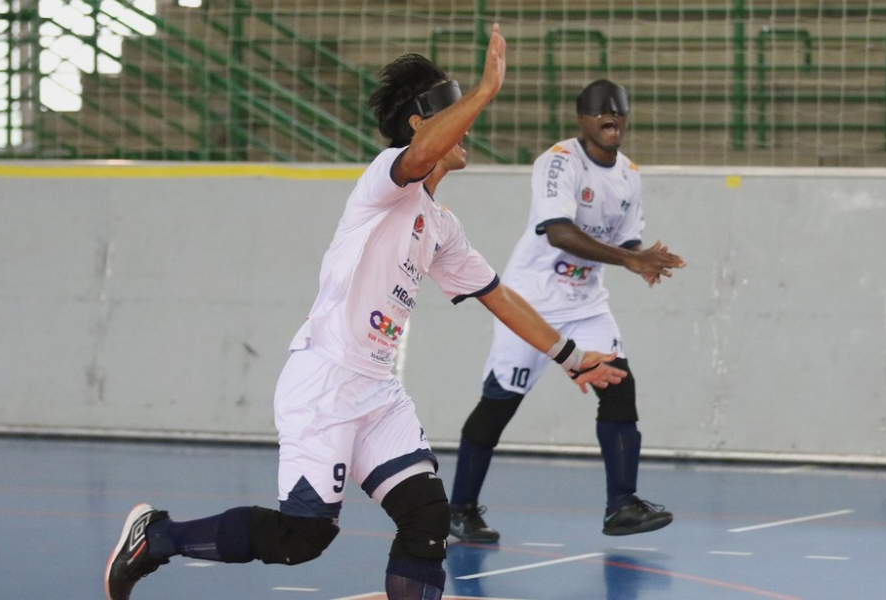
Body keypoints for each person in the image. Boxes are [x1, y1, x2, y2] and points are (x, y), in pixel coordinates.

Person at [104, 26, 630, 600]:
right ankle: (156, 539)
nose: (469, 128)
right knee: (301, 537)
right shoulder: (383, 182)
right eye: (455, 115)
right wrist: (484, 90)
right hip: (326, 381)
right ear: (419, 124)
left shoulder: (442, 227)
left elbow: (499, 297)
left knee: (429, 519)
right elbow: (421, 155)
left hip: (378, 395)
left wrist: (572, 357)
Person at [448, 79, 687, 543]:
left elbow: (626, 242)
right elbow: (558, 232)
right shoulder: (558, 162)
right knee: (500, 403)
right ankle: (459, 509)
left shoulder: (629, 175)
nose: (612, 116)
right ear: (582, 121)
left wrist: (642, 260)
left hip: (585, 303)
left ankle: (621, 505)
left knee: (619, 384)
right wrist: (629, 259)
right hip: (530, 302)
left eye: (619, 111)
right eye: (602, 111)